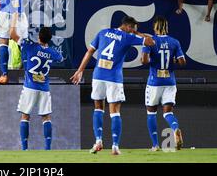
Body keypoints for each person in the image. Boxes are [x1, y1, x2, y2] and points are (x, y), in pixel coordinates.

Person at [70, 16, 155, 155]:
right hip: (114, 78)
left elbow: (89, 52)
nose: (133, 31)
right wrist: (136, 34)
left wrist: (80, 70)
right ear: (128, 27)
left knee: (98, 108)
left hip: (98, 76)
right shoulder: (127, 37)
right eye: (133, 28)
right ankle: (115, 146)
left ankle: (98, 141)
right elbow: (150, 41)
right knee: (114, 111)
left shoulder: (103, 32)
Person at [9, 12, 63, 151]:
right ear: (49, 39)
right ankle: (47, 148)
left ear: (39, 37)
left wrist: (14, 19)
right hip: (44, 88)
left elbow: (12, 35)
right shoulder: (52, 52)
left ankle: (25, 148)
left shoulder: (30, 46)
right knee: (46, 117)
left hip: (30, 86)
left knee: (25, 115)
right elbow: (60, 58)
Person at [141, 16, 186, 151]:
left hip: (155, 82)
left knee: (151, 112)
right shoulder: (174, 42)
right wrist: (172, 61)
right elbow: (183, 62)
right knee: (167, 112)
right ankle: (175, 128)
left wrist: (149, 56)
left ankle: (155, 145)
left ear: (155, 27)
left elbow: (144, 61)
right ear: (166, 27)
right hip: (170, 82)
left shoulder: (150, 41)